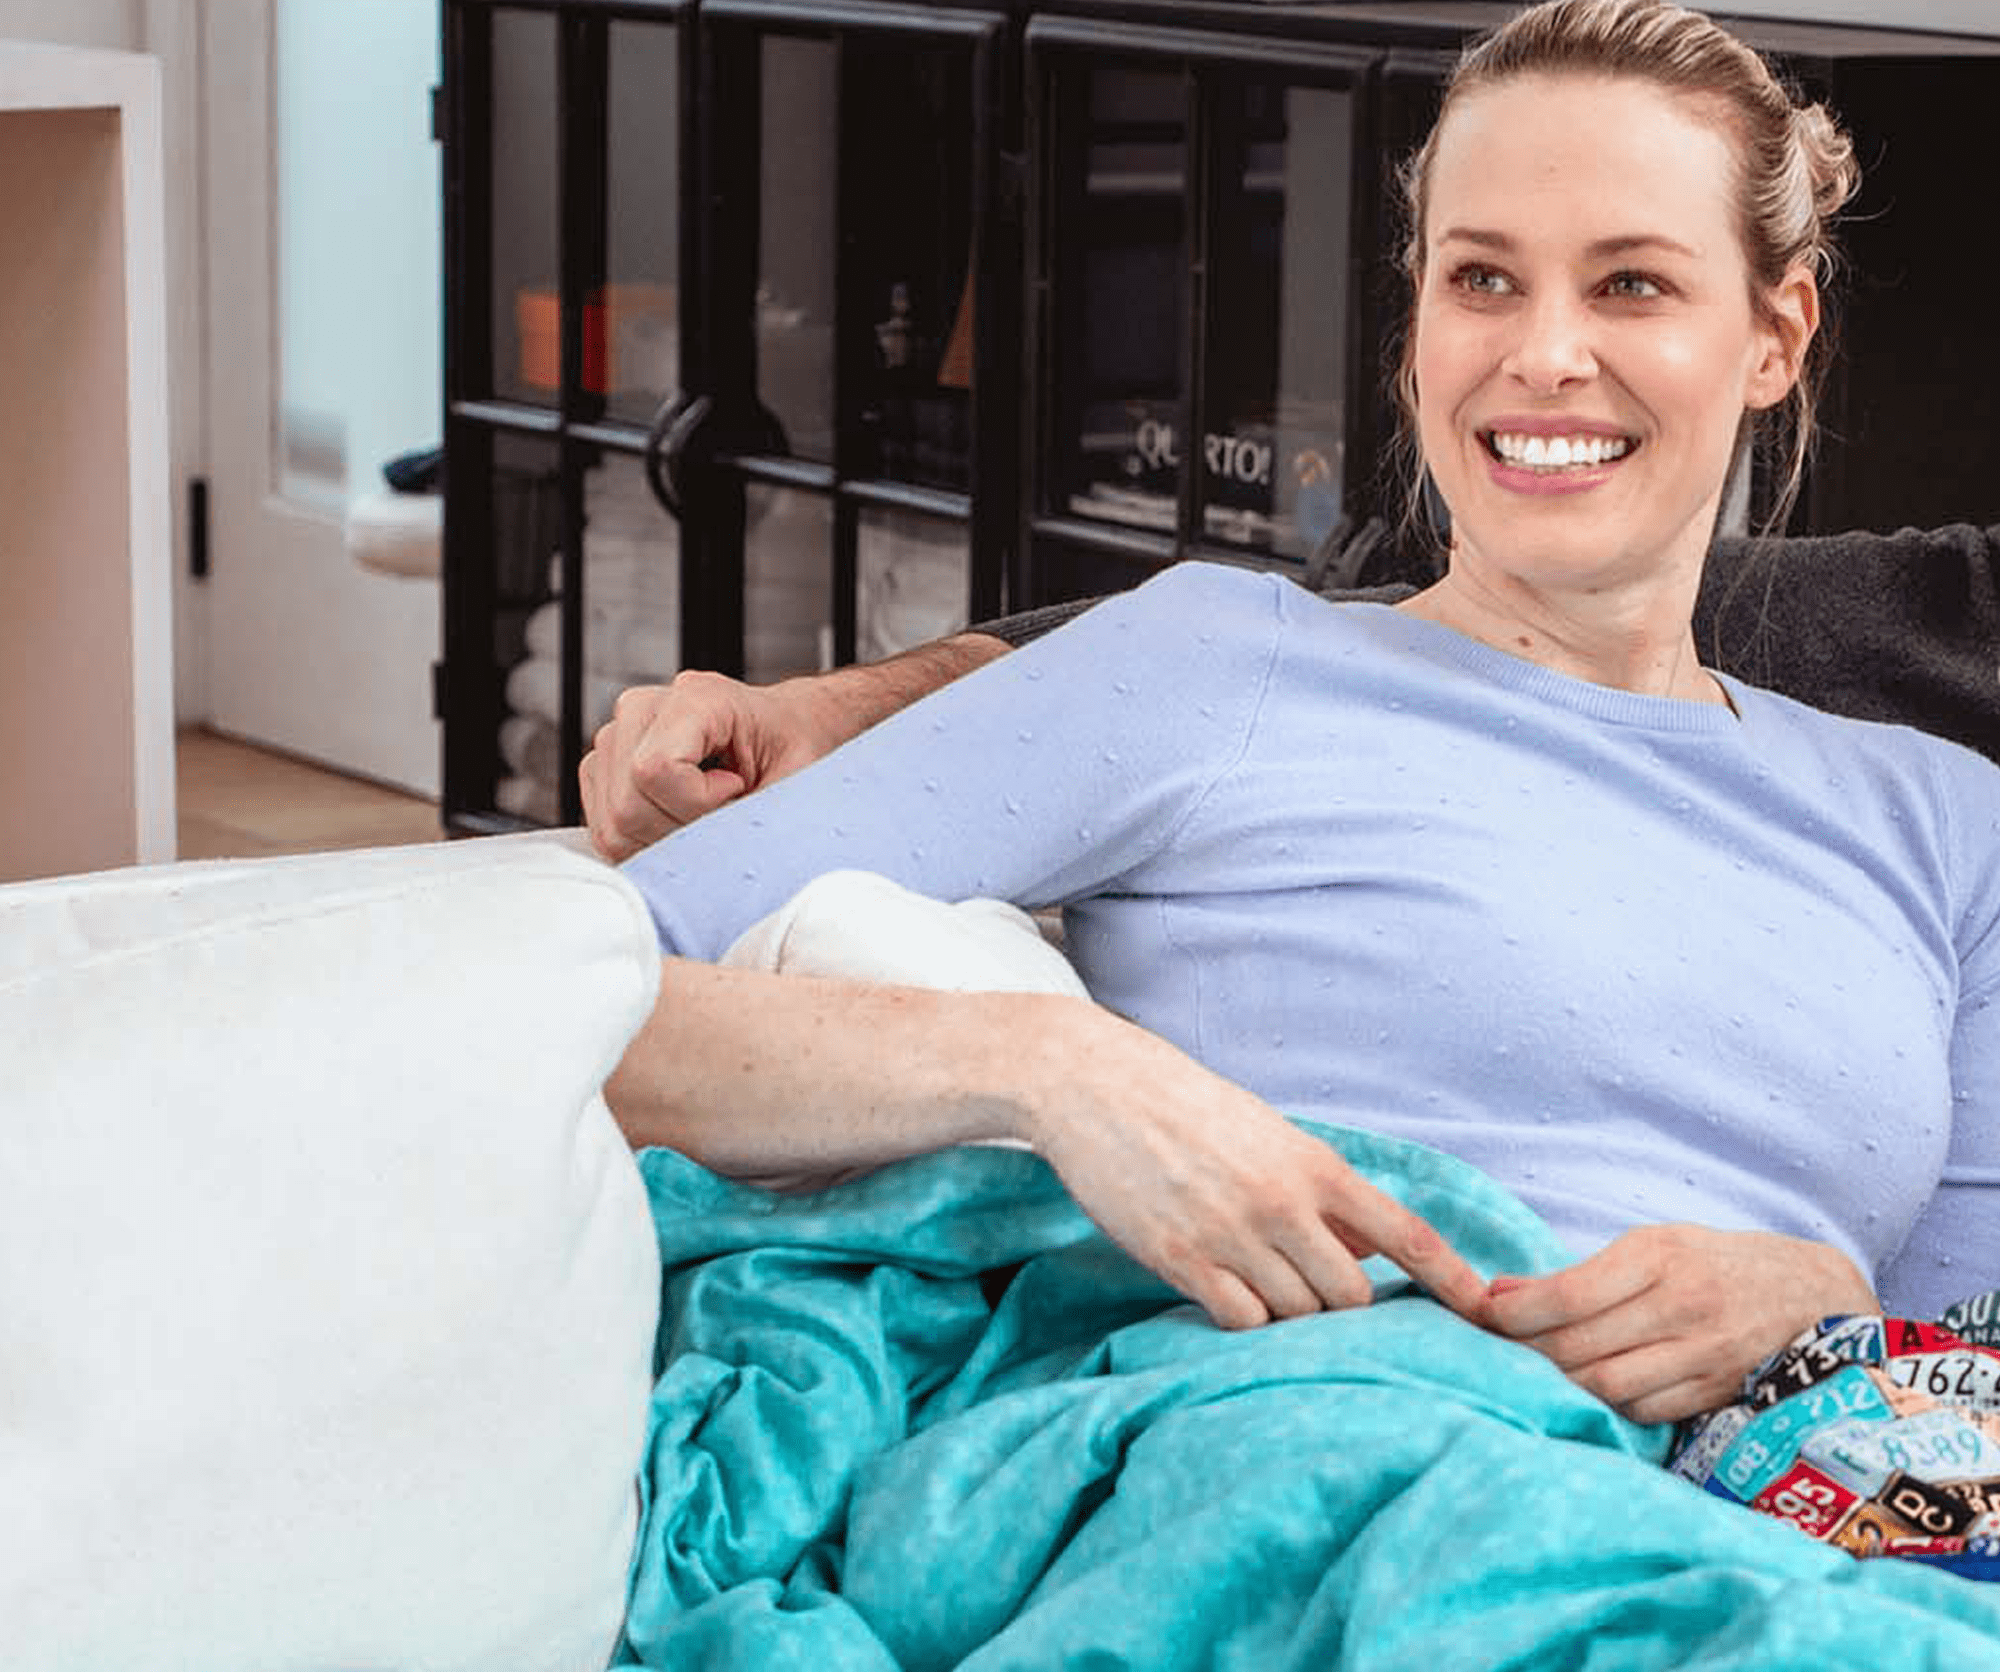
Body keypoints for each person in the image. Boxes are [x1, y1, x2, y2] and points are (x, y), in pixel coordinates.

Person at [589, 0, 2000, 1427]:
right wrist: (1043, 1071)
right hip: (1309, 1451)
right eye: (1483, 279)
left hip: (1793, 1510)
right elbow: (564, 996)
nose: (1545, 354)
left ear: (1774, 336)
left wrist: (1833, 1313)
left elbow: (1967, 1383)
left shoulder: (1948, 827)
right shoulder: (1217, 668)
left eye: (1631, 284)